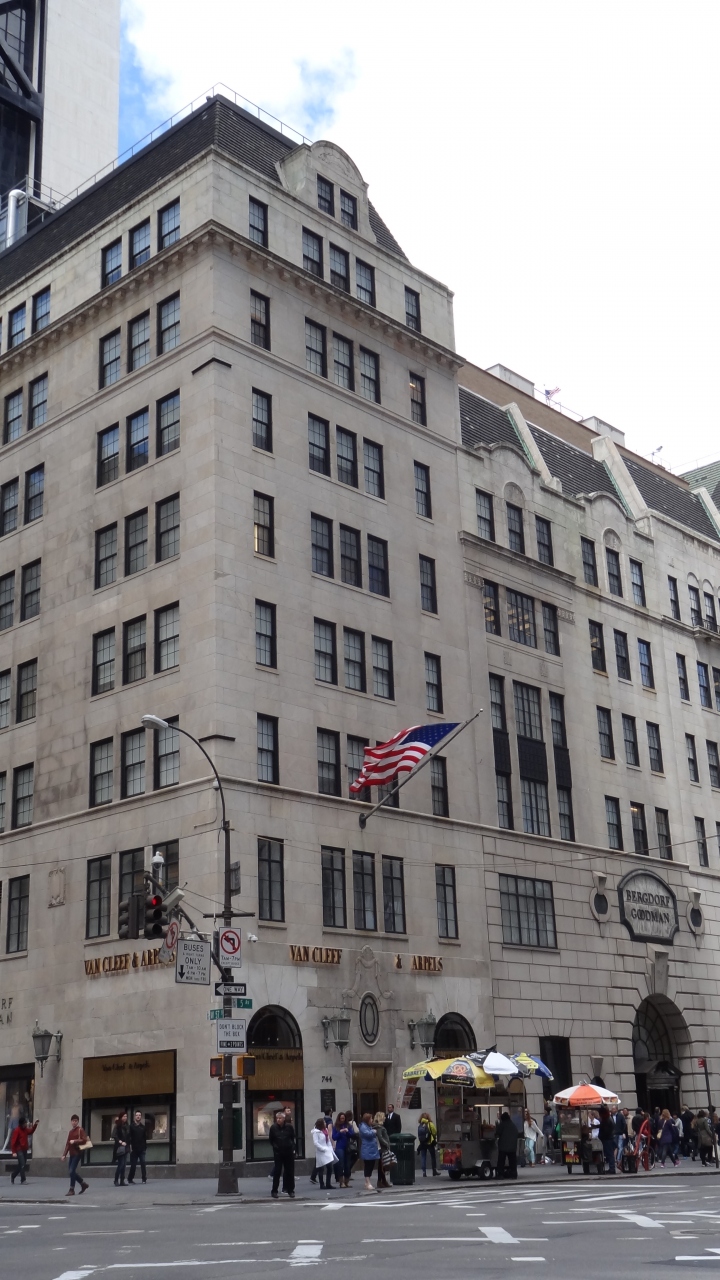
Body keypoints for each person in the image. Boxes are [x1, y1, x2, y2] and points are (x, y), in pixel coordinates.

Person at [269, 1109, 295, 1198]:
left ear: (284, 1119)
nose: (278, 1120)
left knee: (289, 1171)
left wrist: (292, 1147)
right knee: (277, 1171)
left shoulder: (289, 1127)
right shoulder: (273, 1128)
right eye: (277, 1118)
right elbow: (271, 1139)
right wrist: (275, 1147)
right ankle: (274, 1191)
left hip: (288, 1151)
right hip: (278, 1152)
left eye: (280, 1118)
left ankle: (290, 1190)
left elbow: (292, 1137)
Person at [61, 1114, 89, 1196]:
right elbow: (67, 1144)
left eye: (76, 1121)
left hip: (77, 1153)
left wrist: (75, 1141)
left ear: (78, 1122)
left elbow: (84, 1140)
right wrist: (64, 1155)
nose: (74, 1122)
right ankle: (83, 1184)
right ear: (71, 1122)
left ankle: (72, 1189)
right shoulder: (70, 1132)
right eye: (73, 1121)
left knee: (71, 1171)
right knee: (71, 1172)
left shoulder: (80, 1130)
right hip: (72, 1153)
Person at [10, 1115, 38, 1184]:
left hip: (24, 1149)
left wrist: (35, 1125)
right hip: (19, 1149)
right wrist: (13, 1152)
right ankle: (23, 1180)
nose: (26, 1124)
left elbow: (31, 1131)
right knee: (22, 1164)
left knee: (21, 1164)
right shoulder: (17, 1130)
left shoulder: (25, 1129)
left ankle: (13, 1175)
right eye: (25, 1123)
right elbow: (13, 1142)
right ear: (22, 1124)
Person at [311, 1117, 335, 1190]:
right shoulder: (316, 1132)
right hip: (320, 1152)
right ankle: (322, 1184)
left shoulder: (325, 1130)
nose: (325, 1123)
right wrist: (323, 1149)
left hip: (327, 1151)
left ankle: (328, 1183)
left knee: (330, 1167)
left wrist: (330, 1148)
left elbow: (328, 1140)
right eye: (324, 1122)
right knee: (321, 1168)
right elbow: (316, 1143)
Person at [359, 1112, 380, 1192]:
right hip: (367, 1149)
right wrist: (373, 1132)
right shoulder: (363, 1127)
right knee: (368, 1166)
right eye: (371, 1119)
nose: (372, 1120)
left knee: (371, 1165)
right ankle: (367, 1182)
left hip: (372, 1149)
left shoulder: (369, 1126)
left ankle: (367, 1182)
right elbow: (367, 1134)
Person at [495, 1111, 519, 1180]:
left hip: (503, 1146)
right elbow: (517, 1133)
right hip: (512, 1146)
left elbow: (498, 1132)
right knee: (512, 1162)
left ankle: (500, 1174)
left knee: (501, 1161)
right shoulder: (513, 1125)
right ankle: (514, 1174)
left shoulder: (502, 1124)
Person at [127, 1111, 147, 1185]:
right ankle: (130, 1179)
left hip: (141, 1148)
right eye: (137, 1115)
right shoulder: (131, 1126)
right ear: (135, 1117)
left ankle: (144, 1178)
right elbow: (129, 1137)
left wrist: (145, 1147)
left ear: (141, 1117)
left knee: (143, 1164)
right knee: (133, 1165)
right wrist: (130, 1146)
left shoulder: (143, 1127)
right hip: (134, 1149)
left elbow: (144, 1138)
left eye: (139, 1115)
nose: (138, 1116)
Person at [417, 1111, 439, 1177]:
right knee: (433, 1156)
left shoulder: (420, 1125)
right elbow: (435, 1132)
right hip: (429, 1142)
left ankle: (424, 1172)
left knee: (423, 1157)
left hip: (422, 1143)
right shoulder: (430, 1124)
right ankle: (434, 1171)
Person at [332, 1113, 351, 1188]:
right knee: (341, 1164)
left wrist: (347, 1131)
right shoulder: (336, 1127)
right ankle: (341, 1181)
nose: (342, 1120)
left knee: (347, 1165)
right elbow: (334, 1137)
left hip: (347, 1146)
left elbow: (352, 1134)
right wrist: (340, 1132)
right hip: (339, 1147)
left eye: (343, 1118)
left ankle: (347, 1181)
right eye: (341, 1118)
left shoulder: (348, 1125)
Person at [373, 1111, 391, 1188]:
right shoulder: (379, 1127)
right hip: (382, 1148)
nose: (385, 1118)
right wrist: (386, 1144)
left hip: (382, 1148)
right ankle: (380, 1181)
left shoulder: (378, 1127)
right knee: (381, 1165)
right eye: (383, 1117)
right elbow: (380, 1137)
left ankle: (383, 1181)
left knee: (382, 1165)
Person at [112, 1111, 130, 1186]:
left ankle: (122, 1180)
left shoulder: (127, 1125)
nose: (125, 1118)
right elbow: (114, 1135)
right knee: (121, 1164)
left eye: (126, 1116)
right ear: (121, 1117)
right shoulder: (117, 1125)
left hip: (126, 1146)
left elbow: (128, 1136)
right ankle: (116, 1180)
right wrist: (120, 1141)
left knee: (124, 1164)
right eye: (124, 1116)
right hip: (119, 1147)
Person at [597, 1105, 616, 1174]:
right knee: (609, 1154)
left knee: (610, 1154)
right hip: (608, 1138)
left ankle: (612, 1168)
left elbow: (606, 1130)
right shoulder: (607, 1118)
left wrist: (602, 1136)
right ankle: (612, 1168)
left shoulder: (607, 1120)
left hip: (608, 1139)